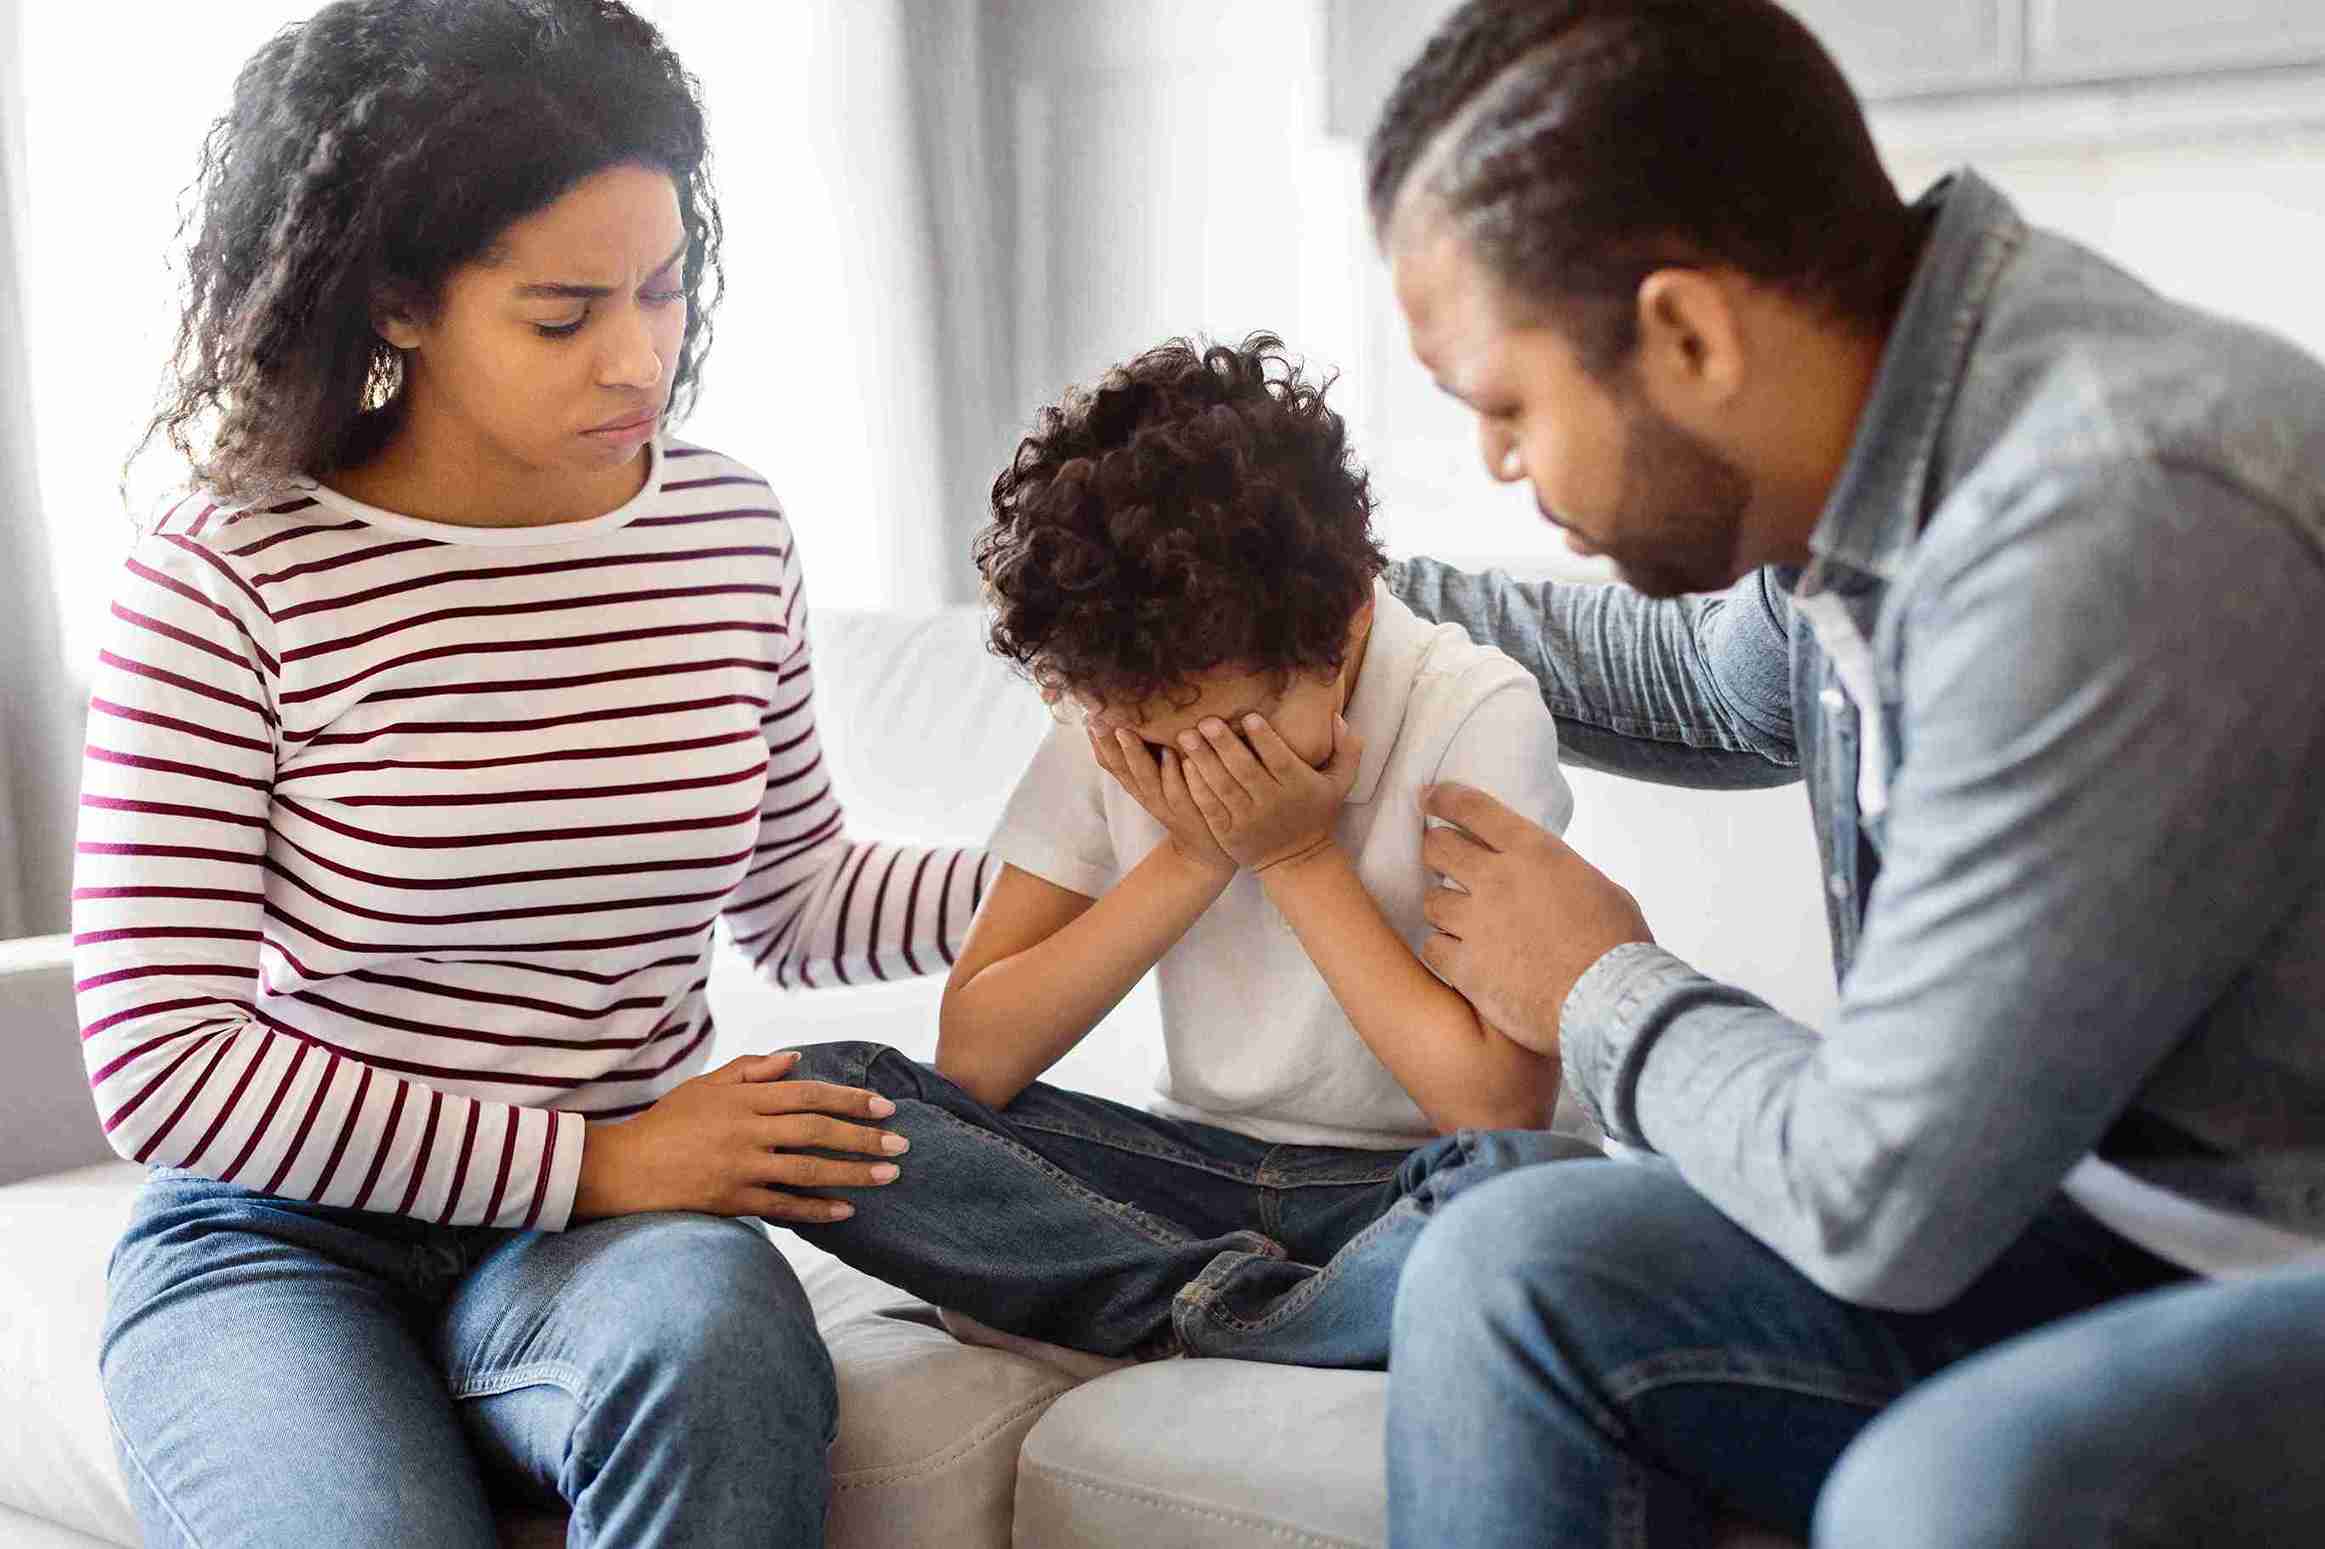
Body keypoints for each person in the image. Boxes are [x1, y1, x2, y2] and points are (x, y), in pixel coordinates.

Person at [1361, 1, 2325, 1544]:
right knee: (1504, 1266)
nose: (1493, 460)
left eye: (1504, 406)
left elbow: (1879, 1195)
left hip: (2275, 1256)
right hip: (2105, 1227)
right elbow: (1688, 672)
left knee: (1946, 1494)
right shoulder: (1881, 458)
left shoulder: (2108, 516)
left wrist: (1596, 984)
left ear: (1687, 334)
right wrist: (1341, 611)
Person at [76, 2, 985, 1542]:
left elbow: (801, 900)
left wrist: (1117, 849)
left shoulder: (722, 529)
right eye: (563, 314)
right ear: (397, 302)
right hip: (282, 1238)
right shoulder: (224, 571)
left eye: (664, 285)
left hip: (610, 1251)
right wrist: (603, 1158)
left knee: (716, 1347)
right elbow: (161, 1057)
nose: (639, 356)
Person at [785, 333, 1592, 1368]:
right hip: (1187, 1177)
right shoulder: (1112, 711)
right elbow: (979, 1055)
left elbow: (1496, 1102)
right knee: (834, 1094)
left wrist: (1296, 857)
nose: (1185, 766)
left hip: (1407, 1179)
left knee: (1524, 1198)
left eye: (1225, 734)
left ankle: (1175, 1310)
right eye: (1150, 742)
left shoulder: (1472, 711)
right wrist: (1196, 854)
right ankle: (1272, 1312)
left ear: (1345, 626)